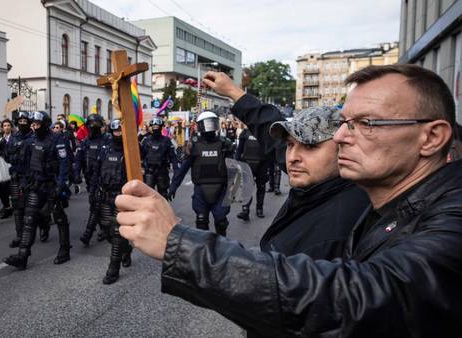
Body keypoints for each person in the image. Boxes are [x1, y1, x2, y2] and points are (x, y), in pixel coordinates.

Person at [116, 65, 462, 337]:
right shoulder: (345, 180)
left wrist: (178, 243)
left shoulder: (451, 219)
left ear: (431, 137)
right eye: (343, 124)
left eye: (365, 124)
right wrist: (236, 94)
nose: (341, 137)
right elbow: (277, 136)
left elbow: (359, 299)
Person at [260, 106, 370, 258]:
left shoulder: (336, 231)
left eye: (309, 146)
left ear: (344, 150)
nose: (292, 157)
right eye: (290, 144)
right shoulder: (315, 188)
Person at [3, 111, 72, 270]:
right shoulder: (31, 140)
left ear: (46, 124)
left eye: (38, 124)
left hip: (52, 185)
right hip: (35, 185)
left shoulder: (57, 139)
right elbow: (25, 163)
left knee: (59, 217)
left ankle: (65, 248)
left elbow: (64, 164)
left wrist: (61, 185)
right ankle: (22, 255)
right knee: (29, 219)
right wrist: (25, 181)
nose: (35, 127)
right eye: (33, 124)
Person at [168, 111, 234, 237]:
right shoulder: (194, 146)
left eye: (212, 123)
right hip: (200, 191)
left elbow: (234, 168)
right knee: (201, 220)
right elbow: (183, 169)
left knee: (220, 220)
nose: (210, 126)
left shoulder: (225, 144)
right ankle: (203, 250)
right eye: (207, 123)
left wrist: (235, 188)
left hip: (221, 189)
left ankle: (222, 248)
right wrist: (173, 186)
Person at [93, 119, 132, 284]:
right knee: (108, 231)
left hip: (121, 197)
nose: (118, 134)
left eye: (120, 131)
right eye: (115, 131)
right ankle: (126, 248)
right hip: (106, 195)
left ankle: (113, 268)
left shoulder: (129, 151)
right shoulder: (105, 150)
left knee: (117, 233)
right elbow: (96, 170)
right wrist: (94, 189)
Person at [74, 114, 108, 245]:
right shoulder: (85, 142)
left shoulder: (106, 141)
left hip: (103, 179)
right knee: (95, 204)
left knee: (96, 205)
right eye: (91, 126)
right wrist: (77, 174)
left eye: (96, 126)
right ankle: (104, 229)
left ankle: (88, 233)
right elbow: (78, 160)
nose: (93, 128)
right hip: (89, 178)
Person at [5, 112, 35, 248]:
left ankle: (42, 226)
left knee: (31, 208)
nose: (22, 123)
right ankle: (19, 235)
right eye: (20, 121)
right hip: (16, 177)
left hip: (29, 178)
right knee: (17, 208)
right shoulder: (13, 137)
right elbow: (7, 155)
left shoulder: (34, 138)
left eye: (25, 121)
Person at [234, 123, 272, 219]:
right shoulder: (245, 133)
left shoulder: (265, 133)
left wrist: (270, 164)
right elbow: (239, 150)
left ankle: (259, 209)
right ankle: (245, 209)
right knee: (247, 187)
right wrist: (236, 162)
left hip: (262, 164)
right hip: (247, 163)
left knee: (261, 186)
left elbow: (270, 150)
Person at [141, 117, 177, 199]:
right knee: (148, 195)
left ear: (161, 127)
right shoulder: (146, 140)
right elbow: (140, 155)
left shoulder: (166, 140)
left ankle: (163, 211)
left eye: (157, 127)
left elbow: (173, 157)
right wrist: (141, 167)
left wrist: (176, 170)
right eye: (153, 127)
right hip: (149, 171)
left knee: (163, 194)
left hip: (162, 170)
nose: (155, 129)